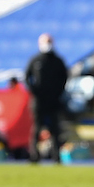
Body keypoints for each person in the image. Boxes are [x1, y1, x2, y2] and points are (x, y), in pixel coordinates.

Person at [24, 33, 68, 163]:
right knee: (37, 128)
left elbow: (64, 77)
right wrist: (34, 91)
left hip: (53, 100)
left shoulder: (57, 60)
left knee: (55, 129)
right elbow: (27, 77)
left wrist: (58, 92)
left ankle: (56, 156)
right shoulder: (35, 60)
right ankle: (34, 155)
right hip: (39, 100)